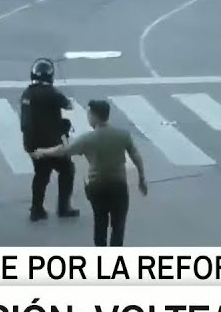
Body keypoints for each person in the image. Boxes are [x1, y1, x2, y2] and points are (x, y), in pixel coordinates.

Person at [30, 99, 146, 246]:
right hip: (119, 186)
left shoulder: (88, 139)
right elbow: (136, 156)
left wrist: (43, 152)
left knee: (100, 224)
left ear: (94, 115)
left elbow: (64, 151)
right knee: (118, 226)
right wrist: (141, 178)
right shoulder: (123, 135)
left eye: (89, 114)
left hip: (97, 187)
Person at [20, 59, 79, 221]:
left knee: (41, 175)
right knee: (67, 170)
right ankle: (63, 207)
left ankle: (36, 209)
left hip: (32, 144)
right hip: (52, 144)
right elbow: (68, 106)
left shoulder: (27, 93)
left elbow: (26, 124)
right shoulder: (52, 93)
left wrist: (30, 148)